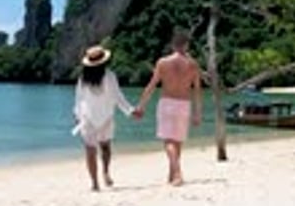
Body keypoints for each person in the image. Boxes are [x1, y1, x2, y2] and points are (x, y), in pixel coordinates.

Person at [136, 30, 202, 186]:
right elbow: (197, 91)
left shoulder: (162, 62)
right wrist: (198, 113)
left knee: (168, 141)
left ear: (173, 45)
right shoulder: (193, 64)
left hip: (167, 103)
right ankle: (172, 174)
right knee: (178, 141)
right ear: (186, 45)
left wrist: (141, 106)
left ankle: (177, 172)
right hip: (184, 104)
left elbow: (151, 86)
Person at [73, 44, 137, 191]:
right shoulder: (109, 76)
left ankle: (95, 183)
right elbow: (118, 97)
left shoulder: (83, 78)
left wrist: (76, 115)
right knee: (106, 147)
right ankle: (105, 172)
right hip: (106, 116)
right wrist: (130, 111)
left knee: (90, 151)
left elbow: (78, 99)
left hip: (88, 117)